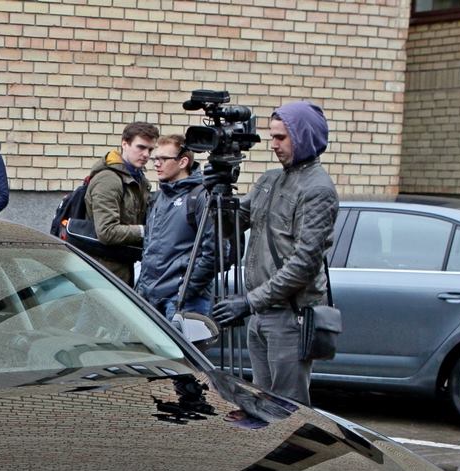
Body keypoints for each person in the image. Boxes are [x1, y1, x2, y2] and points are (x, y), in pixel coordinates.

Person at [210, 102, 339, 406]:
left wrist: (250, 302)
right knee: (261, 403)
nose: (274, 145)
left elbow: (304, 264)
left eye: (281, 137)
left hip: (288, 316)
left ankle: (293, 454)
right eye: (272, 137)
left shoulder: (317, 189)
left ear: (303, 136)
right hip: (261, 312)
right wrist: (217, 195)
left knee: (287, 408)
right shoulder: (269, 180)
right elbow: (232, 225)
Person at [135, 135, 217, 319]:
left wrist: (186, 289)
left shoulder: (201, 197)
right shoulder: (159, 198)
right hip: (151, 300)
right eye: (155, 159)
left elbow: (214, 251)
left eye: (163, 159)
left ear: (183, 162)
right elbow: (150, 248)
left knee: (185, 349)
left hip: (182, 302)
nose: (156, 164)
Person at [86, 121, 158, 285]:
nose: (146, 154)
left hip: (120, 266)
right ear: (124, 144)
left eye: (150, 149)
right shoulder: (109, 179)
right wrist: (146, 231)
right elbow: (107, 231)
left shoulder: (137, 178)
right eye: (140, 147)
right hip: (102, 271)